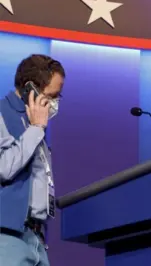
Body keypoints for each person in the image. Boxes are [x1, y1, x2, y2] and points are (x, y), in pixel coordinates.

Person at [0, 54, 65, 266]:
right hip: (8, 238)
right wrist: (36, 128)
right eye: (52, 96)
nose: (55, 103)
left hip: (36, 238)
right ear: (31, 89)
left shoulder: (35, 125)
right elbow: (4, 167)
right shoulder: (2, 114)